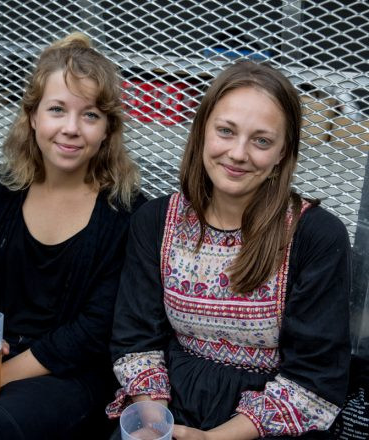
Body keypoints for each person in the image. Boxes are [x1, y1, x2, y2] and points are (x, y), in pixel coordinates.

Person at [106, 60, 351, 439]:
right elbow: (136, 339)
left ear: (282, 155)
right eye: (226, 131)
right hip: (169, 405)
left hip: (266, 424)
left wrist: (212, 438)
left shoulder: (316, 236)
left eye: (261, 140)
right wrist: (155, 425)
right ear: (202, 132)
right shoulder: (155, 221)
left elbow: (313, 378)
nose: (238, 153)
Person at [0, 31, 144, 439]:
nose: (71, 128)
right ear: (32, 116)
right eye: (57, 110)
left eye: (91, 115)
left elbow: (95, 330)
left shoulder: (126, 212)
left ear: (107, 130)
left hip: (66, 375)